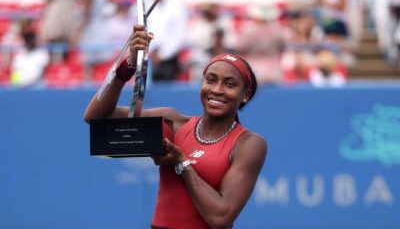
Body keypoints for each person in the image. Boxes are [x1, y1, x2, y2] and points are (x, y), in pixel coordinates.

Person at [84, 25, 268, 229]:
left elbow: (220, 218)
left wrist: (182, 163)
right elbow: (95, 118)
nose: (217, 90)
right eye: (211, 80)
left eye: (230, 84)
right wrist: (126, 67)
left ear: (246, 95)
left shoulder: (249, 144)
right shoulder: (173, 121)